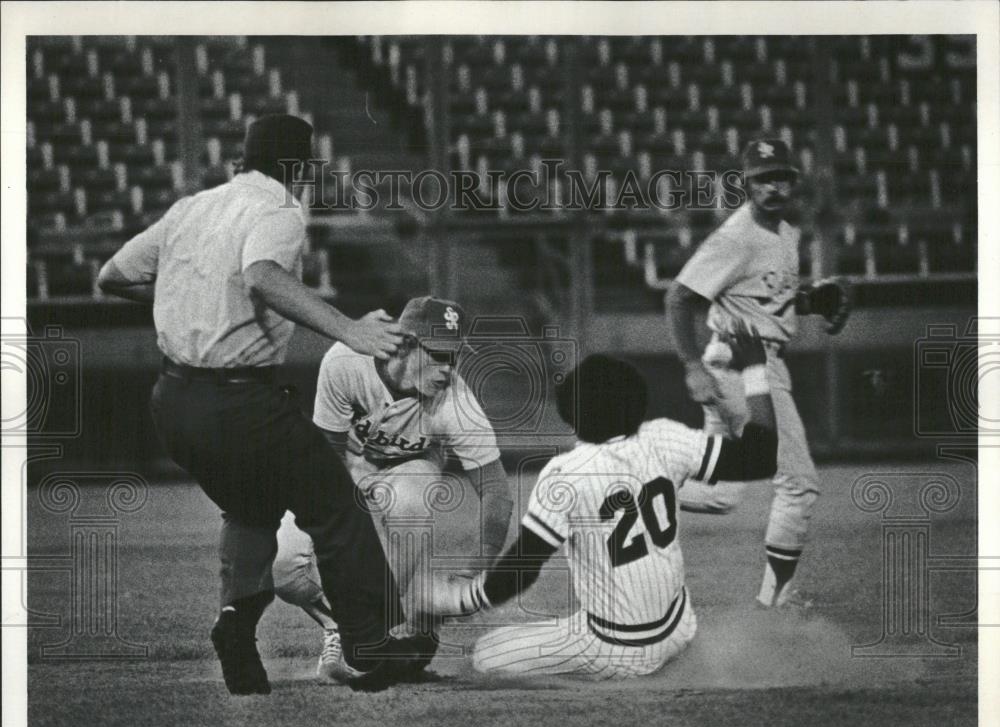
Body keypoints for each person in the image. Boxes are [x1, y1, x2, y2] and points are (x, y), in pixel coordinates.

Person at [97, 113, 424, 694]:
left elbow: (113, 275)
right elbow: (262, 276)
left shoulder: (191, 209)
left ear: (240, 161)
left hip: (172, 400)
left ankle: (236, 628)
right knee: (336, 508)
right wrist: (351, 331)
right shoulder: (278, 209)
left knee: (251, 509)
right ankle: (372, 648)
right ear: (298, 168)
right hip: (239, 399)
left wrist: (192, 290)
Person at [424, 328, 778, 680]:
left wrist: (457, 600)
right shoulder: (663, 437)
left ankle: (597, 677)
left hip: (614, 647)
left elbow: (523, 569)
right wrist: (755, 370)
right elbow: (762, 457)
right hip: (679, 630)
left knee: (488, 654)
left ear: (571, 413)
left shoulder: (565, 473)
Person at [271, 296, 514, 682]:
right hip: (343, 467)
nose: (448, 369)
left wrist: (476, 568)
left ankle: (386, 620)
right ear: (404, 343)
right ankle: (344, 624)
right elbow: (326, 459)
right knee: (282, 565)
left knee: (411, 499)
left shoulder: (456, 402)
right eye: (438, 354)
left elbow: (497, 493)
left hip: (410, 471)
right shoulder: (346, 362)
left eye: (455, 356)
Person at [665, 138, 850, 608]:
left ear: (794, 182)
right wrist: (691, 367)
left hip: (757, 358)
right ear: (746, 184)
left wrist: (808, 303)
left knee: (723, 493)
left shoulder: (785, 234)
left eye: (782, 176)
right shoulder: (736, 236)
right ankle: (776, 601)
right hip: (742, 366)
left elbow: (766, 302)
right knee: (799, 485)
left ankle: (631, 482)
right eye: (763, 178)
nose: (774, 186)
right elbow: (680, 298)